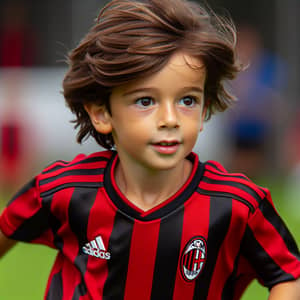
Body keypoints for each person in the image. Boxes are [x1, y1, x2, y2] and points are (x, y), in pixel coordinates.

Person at [0, 0, 299, 299]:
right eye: (146, 101)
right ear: (101, 113)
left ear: (205, 108)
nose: (170, 119)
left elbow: (289, 275)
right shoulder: (62, 190)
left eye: (187, 100)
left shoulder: (237, 206)